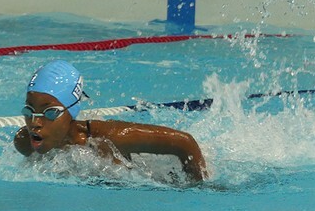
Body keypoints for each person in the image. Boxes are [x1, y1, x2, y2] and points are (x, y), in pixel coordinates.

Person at [14, 60, 208, 182]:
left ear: (71, 110)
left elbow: (184, 142)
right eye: (29, 110)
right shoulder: (25, 142)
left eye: (49, 113)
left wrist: (197, 187)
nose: (35, 123)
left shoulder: (111, 138)